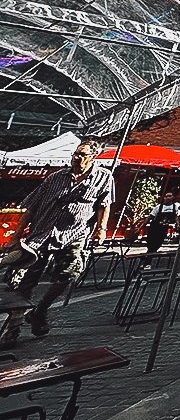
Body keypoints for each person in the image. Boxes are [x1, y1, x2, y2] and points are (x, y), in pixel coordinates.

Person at [0, 140, 113, 344]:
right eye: (76, 153)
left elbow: (104, 205)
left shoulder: (103, 178)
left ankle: (40, 311)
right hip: (41, 234)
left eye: (82, 154)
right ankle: (13, 327)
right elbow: (30, 207)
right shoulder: (55, 177)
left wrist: (101, 230)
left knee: (67, 274)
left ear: (93, 157)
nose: (76, 157)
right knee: (25, 280)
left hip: (74, 234)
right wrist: (16, 236)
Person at [144, 189, 180, 254]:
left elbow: (176, 216)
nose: (168, 198)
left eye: (169, 196)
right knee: (151, 245)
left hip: (163, 228)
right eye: (166, 196)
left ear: (173, 197)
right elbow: (149, 217)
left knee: (158, 244)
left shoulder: (174, 207)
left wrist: (178, 224)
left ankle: (147, 258)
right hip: (154, 228)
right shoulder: (158, 207)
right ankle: (147, 260)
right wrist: (140, 228)